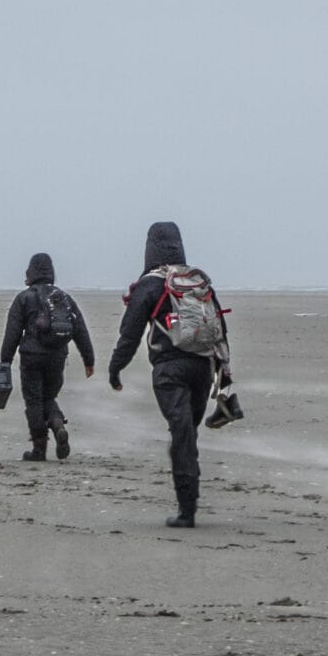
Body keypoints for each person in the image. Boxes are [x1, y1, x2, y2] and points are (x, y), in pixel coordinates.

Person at [108, 222, 231, 526]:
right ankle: (189, 501)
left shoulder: (150, 285)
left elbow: (130, 332)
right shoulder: (197, 282)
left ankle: (187, 510)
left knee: (181, 434)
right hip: (203, 367)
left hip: (169, 370)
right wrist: (225, 376)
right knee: (188, 432)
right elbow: (219, 330)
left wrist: (116, 367)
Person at [1, 252, 95, 461]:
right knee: (48, 397)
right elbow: (80, 329)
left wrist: (4, 363)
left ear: (30, 272)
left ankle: (39, 449)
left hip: (31, 358)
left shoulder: (24, 298)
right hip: (58, 356)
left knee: (34, 400)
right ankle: (57, 424)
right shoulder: (63, 297)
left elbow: (12, 334)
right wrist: (89, 360)